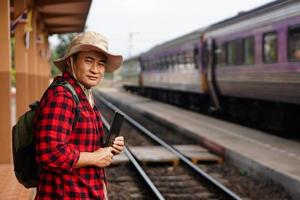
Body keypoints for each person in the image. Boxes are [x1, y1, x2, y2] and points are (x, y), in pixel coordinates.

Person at [34, 31, 124, 199]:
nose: (95, 70)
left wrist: (108, 147)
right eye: (88, 61)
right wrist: (94, 157)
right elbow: (49, 153)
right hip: (65, 194)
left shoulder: (83, 94)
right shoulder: (63, 96)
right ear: (70, 62)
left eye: (101, 64)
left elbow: (80, 143)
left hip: (83, 191)